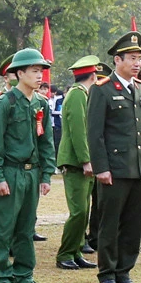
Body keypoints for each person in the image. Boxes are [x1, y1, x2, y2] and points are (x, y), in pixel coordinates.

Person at [0, 47, 56, 283]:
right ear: (19, 73)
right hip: (10, 171)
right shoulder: (5, 103)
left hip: (31, 172)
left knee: (26, 227)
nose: (40, 76)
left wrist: (46, 174)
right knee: (4, 227)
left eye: (41, 71)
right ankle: (2, 276)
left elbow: (46, 142)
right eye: (35, 71)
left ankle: (24, 275)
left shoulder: (41, 104)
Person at [86, 32, 141, 283]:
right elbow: (95, 132)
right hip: (114, 168)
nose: (137, 63)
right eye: (132, 58)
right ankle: (107, 272)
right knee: (110, 223)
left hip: (138, 167)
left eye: (139, 59)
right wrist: (101, 167)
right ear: (117, 59)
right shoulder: (102, 90)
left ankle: (124, 271)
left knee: (133, 223)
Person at [54, 57, 99, 269]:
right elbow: (79, 130)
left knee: (85, 210)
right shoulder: (77, 95)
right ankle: (65, 254)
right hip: (75, 162)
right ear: (93, 76)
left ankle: (77, 250)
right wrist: (86, 160)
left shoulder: (82, 94)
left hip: (82, 162)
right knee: (79, 211)